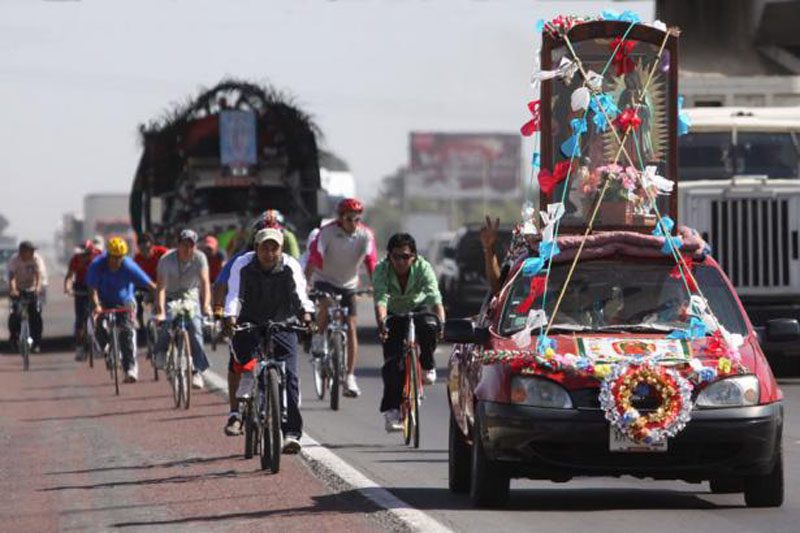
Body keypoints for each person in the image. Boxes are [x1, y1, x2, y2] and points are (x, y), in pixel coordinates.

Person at [222, 228, 314, 453]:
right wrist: (230, 317)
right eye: (265, 247)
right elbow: (235, 294)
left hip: (283, 321)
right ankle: (240, 412)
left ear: (281, 249)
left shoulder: (290, 265)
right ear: (256, 248)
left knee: (290, 376)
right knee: (243, 362)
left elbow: (300, 294)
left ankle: (291, 433)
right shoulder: (243, 264)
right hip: (250, 321)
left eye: (274, 248)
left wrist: (306, 315)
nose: (269, 252)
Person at [305, 198, 377, 398]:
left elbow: (371, 262)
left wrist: (376, 285)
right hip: (324, 279)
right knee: (326, 305)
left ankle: (350, 377)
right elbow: (314, 258)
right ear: (340, 218)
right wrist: (306, 283)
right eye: (348, 219)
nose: (353, 223)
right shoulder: (326, 233)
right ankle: (319, 337)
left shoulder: (365, 235)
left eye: (356, 219)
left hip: (348, 284)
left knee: (351, 326)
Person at [373, 233, 445, 432]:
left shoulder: (423, 268)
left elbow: (435, 298)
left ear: (413, 256)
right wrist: (382, 323)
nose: (400, 262)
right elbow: (380, 300)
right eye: (396, 257)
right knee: (392, 364)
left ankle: (426, 366)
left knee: (430, 325)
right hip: (394, 314)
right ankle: (392, 411)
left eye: (405, 257)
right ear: (389, 257)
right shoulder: (382, 269)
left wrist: (441, 324)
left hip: (418, 308)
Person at [86, 237, 156, 383]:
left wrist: (162, 297)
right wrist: (97, 306)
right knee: (98, 325)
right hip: (103, 300)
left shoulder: (128, 265)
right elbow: (92, 290)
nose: (116, 261)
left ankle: (129, 368)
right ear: (108, 255)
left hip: (124, 301)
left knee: (126, 332)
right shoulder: (97, 265)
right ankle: (107, 349)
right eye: (113, 257)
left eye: (119, 258)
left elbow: (149, 284)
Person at [153, 229, 213, 389]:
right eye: (184, 244)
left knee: (195, 326)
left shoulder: (200, 258)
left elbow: (205, 283)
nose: (187, 249)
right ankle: (161, 351)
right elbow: (161, 288)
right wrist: (160, 311)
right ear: (178, 245)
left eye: (191, 245)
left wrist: (206, 305)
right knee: (168, 319)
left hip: (190, 295)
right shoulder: (166, 260)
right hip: (170, 295)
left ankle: (196, 371)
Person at [64, 240, 102, 360]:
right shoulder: (75, 259)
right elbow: (69, 276)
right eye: (81, 255)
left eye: (85, 255)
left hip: (97, 286)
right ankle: (80, 347)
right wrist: (67, 288)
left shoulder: (100, 256)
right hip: (81, 287)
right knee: (80, 320)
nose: (82, 258)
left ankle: (105, 343)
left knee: (102, 316)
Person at [7, 241, 46, 352]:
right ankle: (14, 338)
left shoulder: (36, 259)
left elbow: (38, 275)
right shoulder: (14, 260)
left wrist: (37, 288)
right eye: (31, 251)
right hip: (18, 289)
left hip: (32, 288)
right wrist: (14, 289)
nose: (33, 253)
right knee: (15, 314)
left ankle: (37, 342)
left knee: (36, 315)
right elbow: (12, 277)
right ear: (22, 252)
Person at [133, 232, 168, 332]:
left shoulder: (163, 253)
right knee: (136, 302)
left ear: (153, 245)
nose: (145, 252)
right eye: (142, 250)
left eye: (147, 249)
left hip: (164, 284)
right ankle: (141, 329)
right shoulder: (137, 258)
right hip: (147, 287)